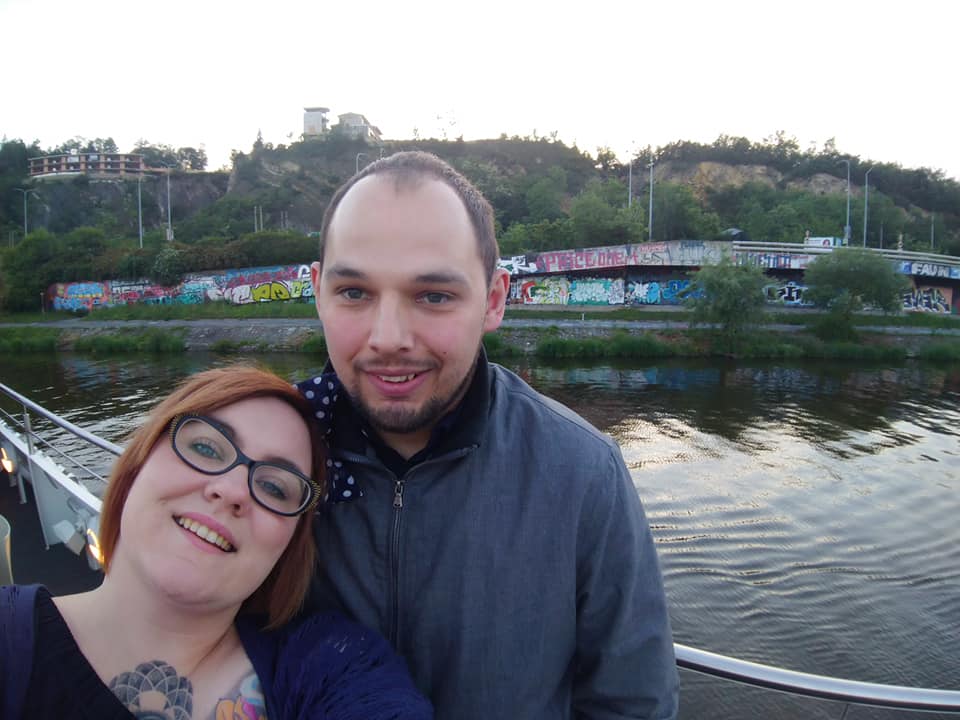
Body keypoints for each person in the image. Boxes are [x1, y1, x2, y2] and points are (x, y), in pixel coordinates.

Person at [297, 151, 679, 719]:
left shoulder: (582, 472)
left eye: (434, 296)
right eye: (354, 292)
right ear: (317, 291)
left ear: (494, 300)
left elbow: (631, 704)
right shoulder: (263, 456)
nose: (388, 337)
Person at [0, 366, 432, 720]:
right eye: (206, 448)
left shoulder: (329, 666)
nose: (232, 490)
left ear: (290, 544)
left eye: (276, 488)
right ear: (137, 463)